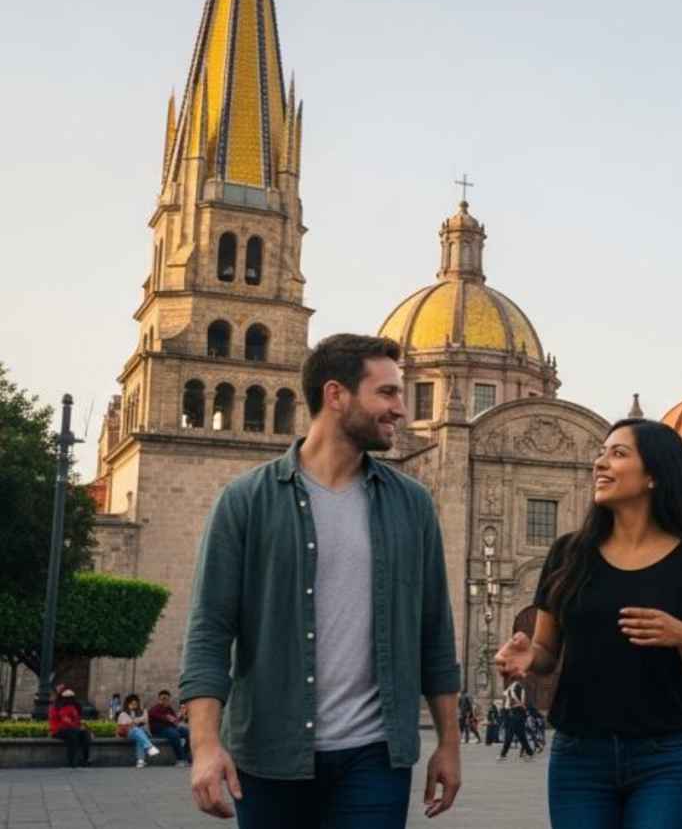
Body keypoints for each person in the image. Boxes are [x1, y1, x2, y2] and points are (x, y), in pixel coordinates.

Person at [180, 334, 463, 827]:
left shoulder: (412, 505)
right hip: (270, 754)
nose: (400, 408)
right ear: (336, 395)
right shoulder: (245, 500)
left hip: (375, 755)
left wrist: (449, 744)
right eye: (389, 393)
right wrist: (205, 747)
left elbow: (435, 632)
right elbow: (209, 630)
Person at [496, 418, 682, 829]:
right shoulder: (568, 554)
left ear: (654, 476)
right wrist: (527, 656)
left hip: (665, 757)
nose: (600, 463)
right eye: (601, 453)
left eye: (618, 454)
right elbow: (547, 653)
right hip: (579, 757)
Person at [49, 687, 92, 768]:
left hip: (71, 729)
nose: (70, 700)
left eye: (71, 698)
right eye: (68, 698)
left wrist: (83, 727)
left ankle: (85, 759)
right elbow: (65, 721)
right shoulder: (57, 707)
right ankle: (72, 761)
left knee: (85, 734)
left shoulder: (73, 707)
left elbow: (77, 720)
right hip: (58, 730)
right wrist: (77, 727)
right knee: (73, 734)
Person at [117, 694, 163, 767]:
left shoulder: (141, 712)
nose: (134, 705)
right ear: (128, 704)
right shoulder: (123, 713)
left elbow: (145, 721)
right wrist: (137, 720)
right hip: (128, 733)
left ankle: (141, 760)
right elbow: (128, 724)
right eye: (132, 704)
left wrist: (140, 717)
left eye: (135, 703)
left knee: (139, 736)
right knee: (137, 731)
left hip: (140, 733)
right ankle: (149, 748)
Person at [148, 689, 191, 765]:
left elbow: (175, 720)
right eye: (163, 699)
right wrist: (169, 718)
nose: (165, 701)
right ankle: (180, 759)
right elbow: (161, 717)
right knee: (175, 734)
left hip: (170, 728)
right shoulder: (154, 709)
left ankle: (185, 754)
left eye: (167, 699)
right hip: (159, 730)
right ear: (159, 699)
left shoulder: (169, 709)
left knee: (187, 732)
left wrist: (181, 716)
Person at [497, 681, 533, 762]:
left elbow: (521, 702)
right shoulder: (511, 686)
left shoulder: (517, 687)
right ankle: (530, 753)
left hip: (515, 714)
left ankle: (503, 755)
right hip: (512, 714)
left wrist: (512, 706)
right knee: (521, 736)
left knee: (509, 735)